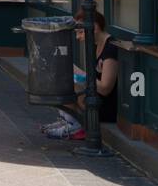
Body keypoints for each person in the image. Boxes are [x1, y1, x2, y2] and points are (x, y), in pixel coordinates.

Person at [42, 10, 118, 140]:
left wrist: (81, 74)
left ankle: (75, 126)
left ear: (94, 28)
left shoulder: (110, 48)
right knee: (64, 80)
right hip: (94, 98)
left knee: (69, 85)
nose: (78, 37)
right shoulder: (95, 44)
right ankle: (68, 120)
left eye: (80, 32)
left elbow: (105, 88)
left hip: (105, 107)